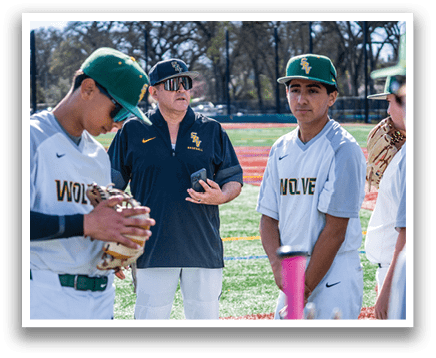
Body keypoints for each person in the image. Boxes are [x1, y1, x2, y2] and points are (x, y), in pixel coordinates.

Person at [108, 58, 243, 319]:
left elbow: (233, 177)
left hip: (203, 249)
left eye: (186, 83)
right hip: (152, 250)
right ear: (153, 92)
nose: (182, 89)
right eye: (173, 84)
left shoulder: (211, 129)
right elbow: (110, 184)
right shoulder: (132, 130)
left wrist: (222, 195)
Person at [30, 47, 155, 319]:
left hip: (100, 297)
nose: (119, 123)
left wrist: (113, 242)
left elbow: (94, 220)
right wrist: (88, 225)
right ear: (88, 88)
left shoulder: (98, 154)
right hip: (44, 296)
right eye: (118, 110)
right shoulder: (32, 138)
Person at [256, 54, 366, 319]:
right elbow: (268, 218)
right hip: (292, 275)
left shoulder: (344, 148)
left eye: (313, 90)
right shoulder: (280, 147)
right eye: (295, 90)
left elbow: (335, 231)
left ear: (332, 97)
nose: (301, 99)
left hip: (333, 275)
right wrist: (279, 270)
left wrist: (300, 291)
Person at [367, 34, 407, 319]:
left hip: (402, 275)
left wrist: (388, 290)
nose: (388, 112)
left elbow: (408, 233)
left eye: (392, 102)